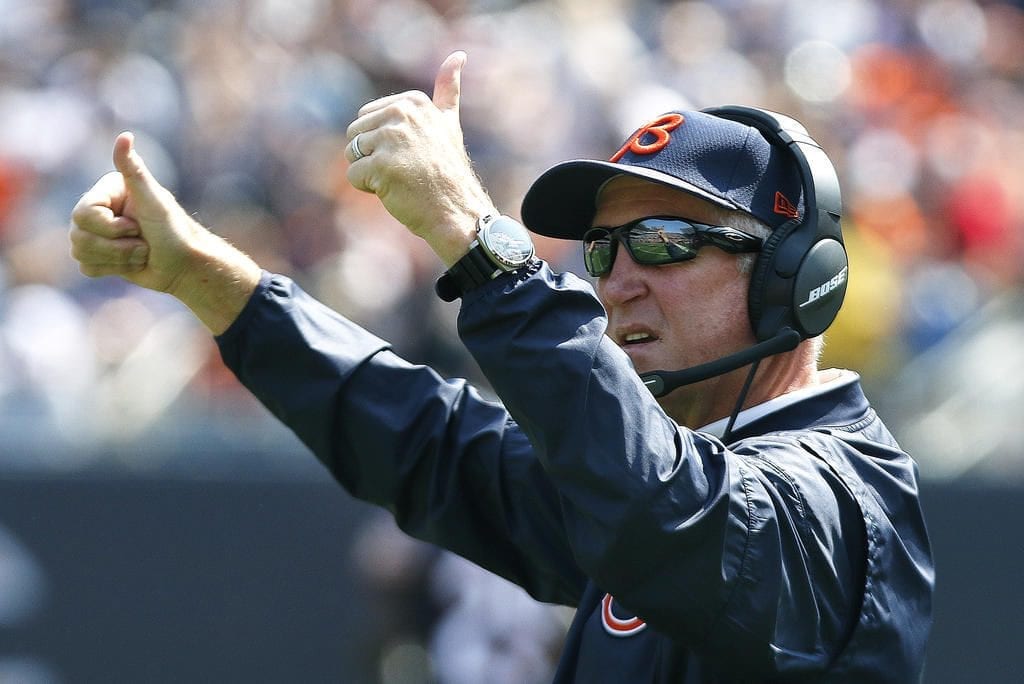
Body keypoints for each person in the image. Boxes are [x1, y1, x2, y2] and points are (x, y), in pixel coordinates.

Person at [69, 51, 934, 682]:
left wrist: (480, 244)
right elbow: (431, 444)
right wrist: (207, 279)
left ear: (794, 279)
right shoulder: (662, 473)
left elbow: (665, 510)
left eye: (664, 241)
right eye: (602, 251)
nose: (618, 282)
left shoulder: (840, 502)